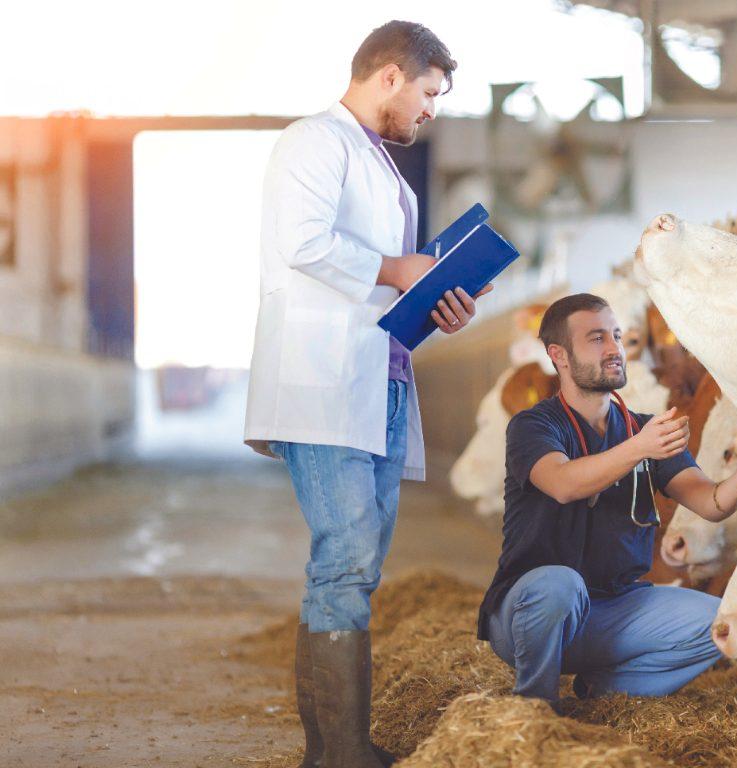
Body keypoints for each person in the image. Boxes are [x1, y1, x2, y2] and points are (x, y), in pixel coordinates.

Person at [243, 21, 487, 768]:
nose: (432, 111)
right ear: (390, 75)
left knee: (352, 569)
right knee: (344, 565)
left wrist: (436, 299)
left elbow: (388, 280)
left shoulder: (375, 160)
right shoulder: (314, 141)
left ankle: (333, 750)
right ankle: (342, 752)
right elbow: (303, 243)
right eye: (429, 93)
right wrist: (399, 268)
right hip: (324, 383)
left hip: (375, 379)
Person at [477, 293, 737, 707]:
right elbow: (563, 483)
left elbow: (710, 502)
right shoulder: (533, 425)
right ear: (560, 355)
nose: (614, 349)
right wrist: (639, 448)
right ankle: (534, 708)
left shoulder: (642, 429)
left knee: (722, 622)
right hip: (530, 613)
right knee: (560, 585)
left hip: (615, 608)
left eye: (616, 336)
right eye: (596, 338)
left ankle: (602, 693)